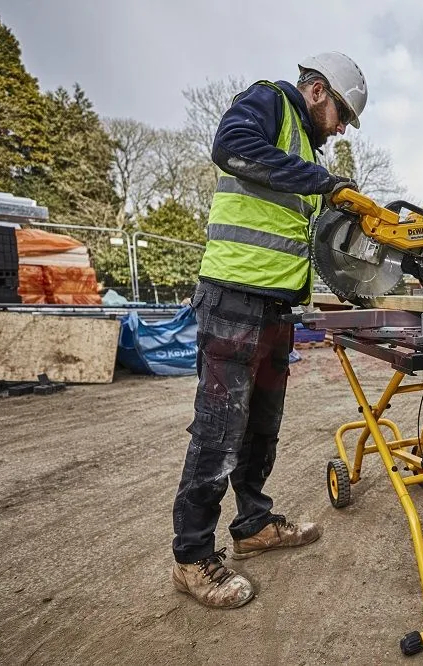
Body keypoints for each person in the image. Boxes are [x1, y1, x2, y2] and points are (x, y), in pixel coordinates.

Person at [170, 52, 367, 609]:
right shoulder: (270, 101)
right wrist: (326, 184)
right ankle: (191, 558)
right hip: (233, 296)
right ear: (319, 91)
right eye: (344, 114)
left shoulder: (305, 149)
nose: (344, 127)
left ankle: (252, 525)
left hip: (277, 306)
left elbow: (298, 233)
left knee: (261, 426)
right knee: (218, 430)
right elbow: (230, 147)